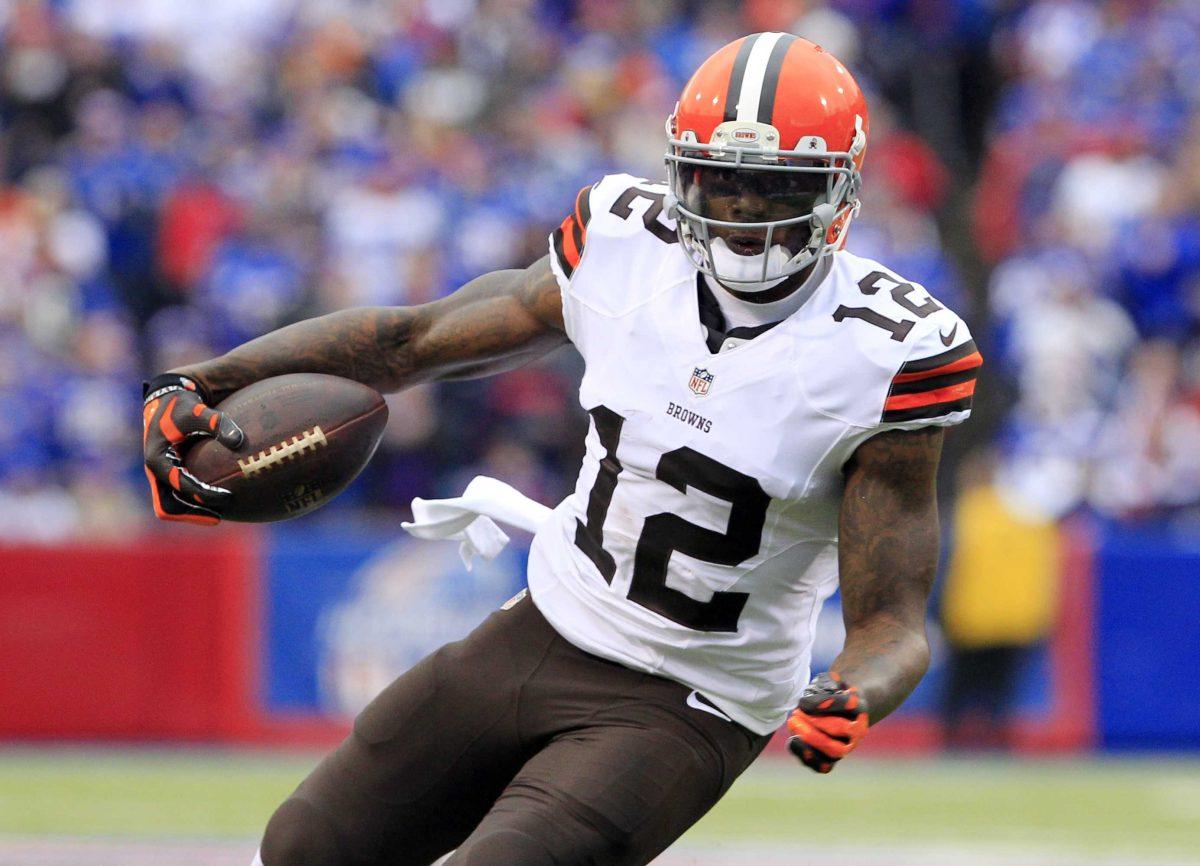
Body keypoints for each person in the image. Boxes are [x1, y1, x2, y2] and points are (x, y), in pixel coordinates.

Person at [141, 33, 981, 866]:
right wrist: (203, 381)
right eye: (720, 182)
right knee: (306, 845)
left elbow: (893, 623)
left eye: (773, 187)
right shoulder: (626, 245)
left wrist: (854, 691)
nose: (742, 211)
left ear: (838, 191)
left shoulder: (886, 354)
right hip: (551, 622)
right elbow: (414, 338)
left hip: (694, 695)